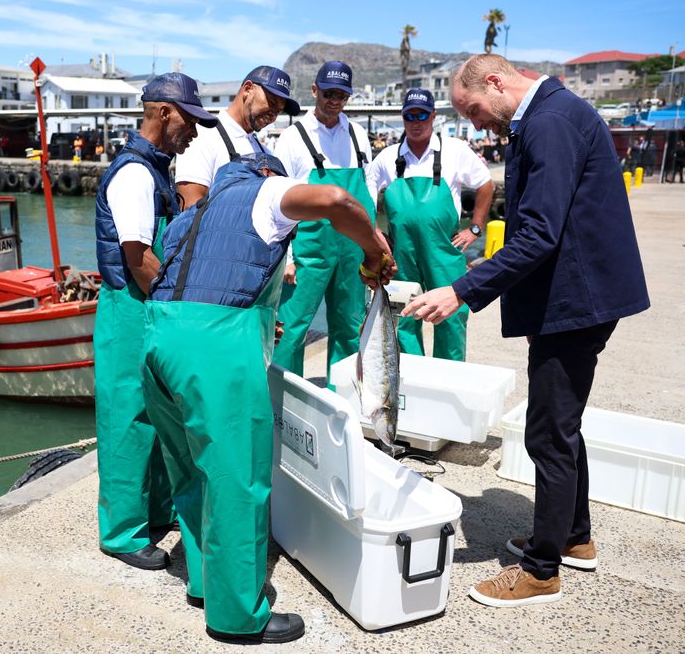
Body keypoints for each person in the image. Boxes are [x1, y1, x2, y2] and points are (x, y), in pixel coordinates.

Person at [403, 54, 649, 607]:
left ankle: (541, 571)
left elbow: (538, 233)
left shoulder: (549, 122)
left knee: (547, 433)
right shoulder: (550, 116)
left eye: (473, 110)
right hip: (576, 296)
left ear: (495, 82)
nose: (475, 124)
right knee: (562, 425)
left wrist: (460, 290)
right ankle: (573, 537)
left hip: (578, 299)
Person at [143, 153, 394, 643]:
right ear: (268, 175)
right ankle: (237, 616)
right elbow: (338, 200)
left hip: (159, 340)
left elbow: (203, 283)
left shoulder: (195, 212)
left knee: (192, 475)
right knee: (239, 480)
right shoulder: (265, 192)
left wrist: (258, 319)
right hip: (214, 351)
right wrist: (372, 251)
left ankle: (205, 582)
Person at [93, 72, 218, 571]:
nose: (195, 132)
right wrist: (179, 307)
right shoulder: (135, 174)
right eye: (190, 120)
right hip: (130, 307)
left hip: (144, 306)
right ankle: (122, 534)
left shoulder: (156, 169)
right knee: (129, 418)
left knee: (160, 412)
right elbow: (139, 257)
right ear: (164, 113)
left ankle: (155, 512)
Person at [365, 88, 494, 361]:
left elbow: (485, 184)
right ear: (403, 118)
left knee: (451, 316)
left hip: (443, 251)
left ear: (433, 116)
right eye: (409, 115)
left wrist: (476, 228)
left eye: (422, 114)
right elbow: (365, 193)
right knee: (403, 316)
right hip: (401, 252)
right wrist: (375, 231)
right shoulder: (387, 157)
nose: (416, 121)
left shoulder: (455, 150)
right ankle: (410, 378)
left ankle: (451, 379)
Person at [272, 60, 374, 383]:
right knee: (292, 328)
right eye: (328, 92)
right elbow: (278, 198)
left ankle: (342, 404)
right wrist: (286, 258)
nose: (335, 101)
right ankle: (283, 408)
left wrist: (372, 247)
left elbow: (368, 189)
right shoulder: (291, 138)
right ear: (314, 90)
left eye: (342, 95)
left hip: (352, 249)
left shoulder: (358, 135)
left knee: (349, 326)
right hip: (306, 251)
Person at [175, 65, 300, 207]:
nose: (273, 115)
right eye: (271, 102)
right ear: (248, 89)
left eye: (279, 111)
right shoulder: (204, 136)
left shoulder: (264, 152)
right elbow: (189, 210)